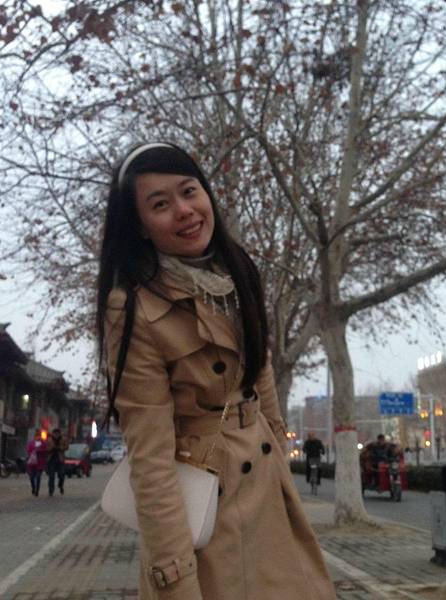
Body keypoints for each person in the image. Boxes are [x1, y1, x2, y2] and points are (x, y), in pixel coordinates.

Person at [96, 143, 336, 600]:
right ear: (140, 226)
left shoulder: (237, 272)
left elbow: (259, 370)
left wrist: (277, 444)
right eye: (160, 204)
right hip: (204, 498)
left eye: (190, 191)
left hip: (265, 482)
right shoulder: (132, 308)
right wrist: (174, 574)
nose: (184, 211)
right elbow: (150, 454)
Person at [46, 428, 69, 496]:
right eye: (54, 433)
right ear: (52, 434)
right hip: (51, 459)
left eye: (57, 434)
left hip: (60, 459)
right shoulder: (49, 440)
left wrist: (60, 448)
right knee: (51, 476)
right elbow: (46, 448)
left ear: (59, 434)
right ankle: (51, 490)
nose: (56, 435)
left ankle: (60, 485)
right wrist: (51, 448)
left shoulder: (63, 439)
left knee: (62, 474)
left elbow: (67, 447)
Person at [26, 429, 47, 497]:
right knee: (32, 477)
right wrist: (32, 453)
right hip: (32, 463)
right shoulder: (31, 443)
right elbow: (28, 450)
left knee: (38, 477)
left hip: (40, 463)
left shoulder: (43, 443)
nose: (38, 437)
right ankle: (33, 488)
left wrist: (39, 450)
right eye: (36, 435)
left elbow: (45, 451)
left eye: (39, 435)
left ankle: (37, 491)